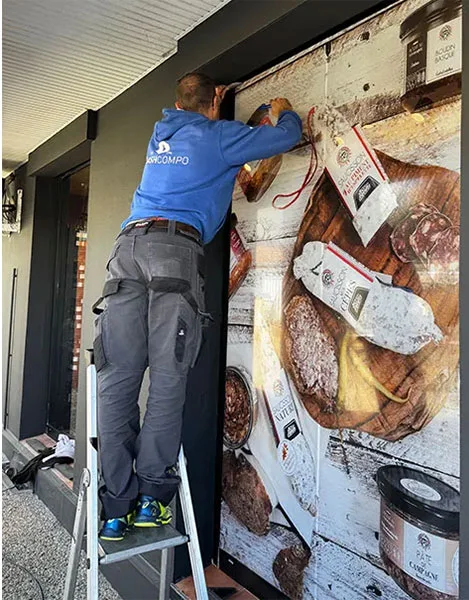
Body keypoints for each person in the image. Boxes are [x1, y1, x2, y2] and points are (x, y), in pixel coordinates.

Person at [95, 72, 302, 541]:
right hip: (173, 252)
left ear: (176, 104)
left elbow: (191, 130)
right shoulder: (217, 135)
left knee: (117, 380)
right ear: (217, 100)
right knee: (167, 379)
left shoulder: (160, 134)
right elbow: (287, 135)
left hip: (126, 252)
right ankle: (151, 499)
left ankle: (114, 509)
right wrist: (281, 107)